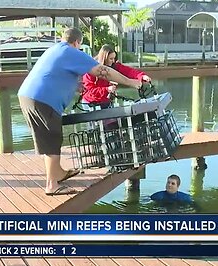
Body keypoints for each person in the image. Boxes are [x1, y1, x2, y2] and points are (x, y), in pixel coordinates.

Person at [18, 28, 142, 196]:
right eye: (80, 45)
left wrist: (75, 86)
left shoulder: (54, 50)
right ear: (77, 42)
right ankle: (52, 185)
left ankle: (59, 173)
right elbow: (103, 70)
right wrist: (131, 82)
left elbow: (53, 73)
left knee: (50, 137)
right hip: (43, 99)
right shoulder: (71, 51)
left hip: (27, 95)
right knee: (52, 137)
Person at [81, 44, 152, 109]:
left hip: (106, 101)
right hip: (90, 103)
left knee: (111, 122)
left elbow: (129, 71)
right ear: (104, 58)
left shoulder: (114, 65)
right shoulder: (90, 70)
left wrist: (142, 76)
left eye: (114, 58)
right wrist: (106, 89)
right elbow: (89, 90)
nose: (113, 61)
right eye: (111, 59)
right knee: (100, 122)